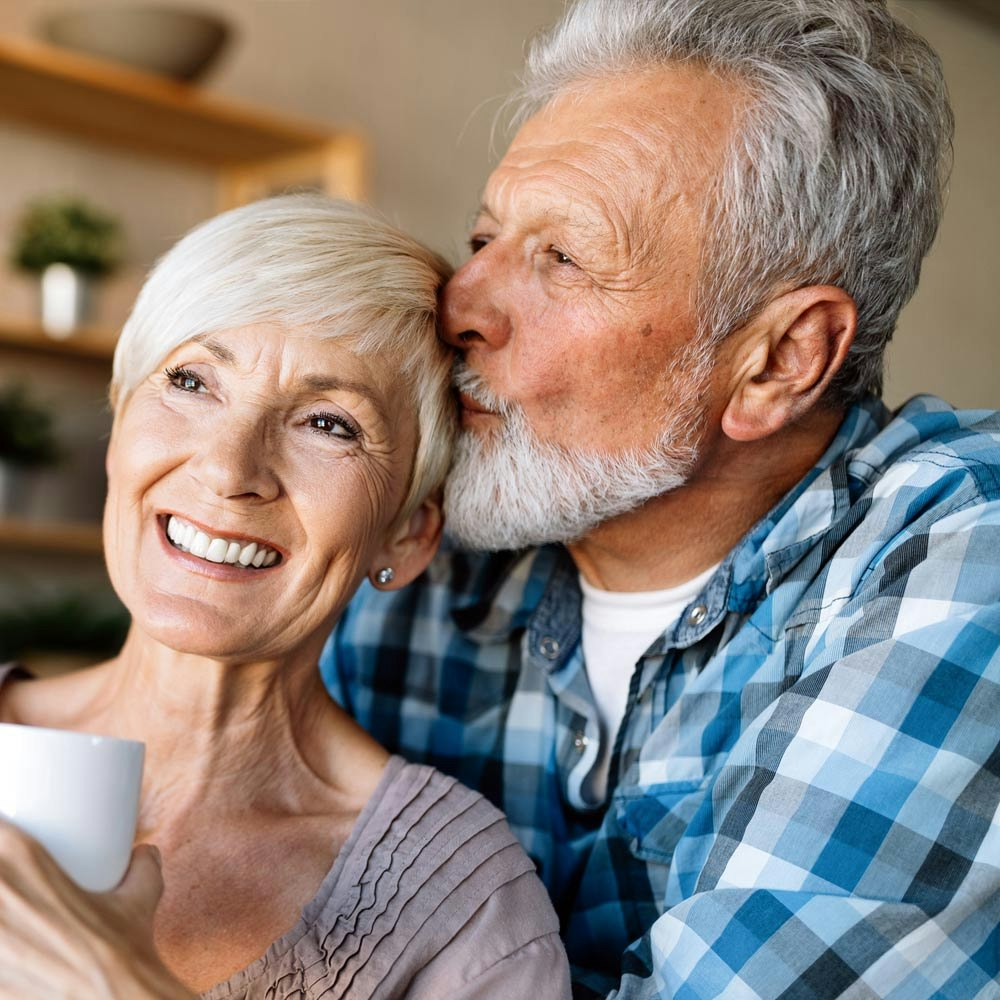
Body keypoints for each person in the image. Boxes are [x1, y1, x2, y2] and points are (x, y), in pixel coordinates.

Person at [323, 0, 1000, 997]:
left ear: (778, 359)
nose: (459, 300)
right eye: (483, 237)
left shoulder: (960, 552)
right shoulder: (423, 542)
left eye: (561, 259)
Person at [0, 194, 570, 999]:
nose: (229, 470)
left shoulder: (465, 904)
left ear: (405, 534)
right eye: (191, 380)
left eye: (328, 424)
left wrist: (112, 981)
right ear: (121, 427)